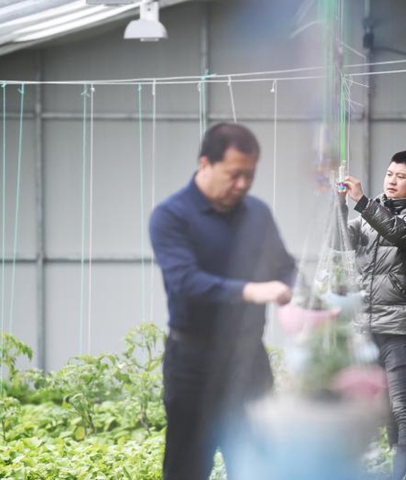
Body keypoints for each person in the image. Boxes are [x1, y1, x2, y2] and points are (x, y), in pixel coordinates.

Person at [149, 123, 296, 480]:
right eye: (234, 175)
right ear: (205, 164)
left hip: (248, 360)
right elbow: (186, 282)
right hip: (193, 363)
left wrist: (299, 294)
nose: (243, 185)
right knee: (187, 467)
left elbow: (284, 265)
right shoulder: (171, 216)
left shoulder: (256, 213)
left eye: (250, 175)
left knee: (258, 465)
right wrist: (250, 291)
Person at [338, 150, 406, 480]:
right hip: (366, 327)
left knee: (404, 408)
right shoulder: (371, 216)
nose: (392, 181)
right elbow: (338, 243)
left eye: (401, 177)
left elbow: (401, 233)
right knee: (368, 410)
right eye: (389, 174)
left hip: (402, 329)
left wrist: (363, 203)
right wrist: (339, 206)